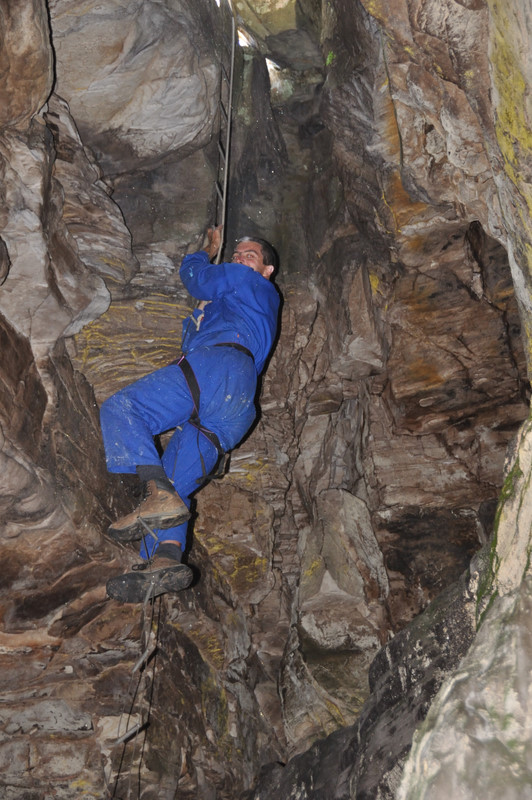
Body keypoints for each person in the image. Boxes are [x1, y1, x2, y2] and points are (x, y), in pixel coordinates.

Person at [100, 226, 280, 602]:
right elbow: (203, 313)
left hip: (218, 368)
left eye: (248, 255)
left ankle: (154, 492)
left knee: (123, 409)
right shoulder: (240, 306)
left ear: (267, 271)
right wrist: (199, 316)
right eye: (236, 255)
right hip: (236, 403)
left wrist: (204, 253)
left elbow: (197, 279)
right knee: (172, 488)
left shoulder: (247, 281)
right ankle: (164, 559)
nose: (239, 259)